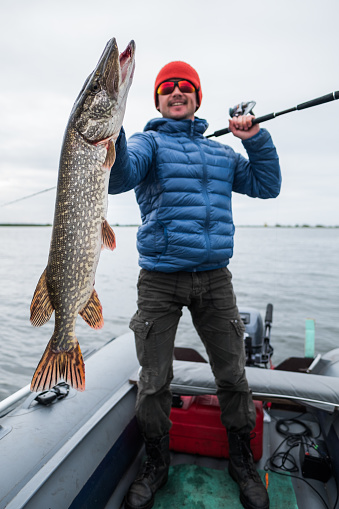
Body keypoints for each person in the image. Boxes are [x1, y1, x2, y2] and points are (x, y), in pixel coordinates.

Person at [108, 61, 281, 509]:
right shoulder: (147, 144)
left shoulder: (221, 155)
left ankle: (242, 463)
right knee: (154, 381)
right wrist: (114, 130)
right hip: (159, 282)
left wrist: (255, 139)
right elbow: (119, 177)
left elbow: (267, 185)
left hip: (214, 280)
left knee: (234, 377)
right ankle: (156, 464)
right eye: (168, 88)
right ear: (158, 100)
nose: (177, 92)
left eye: (186, 87)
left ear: (197, 97)